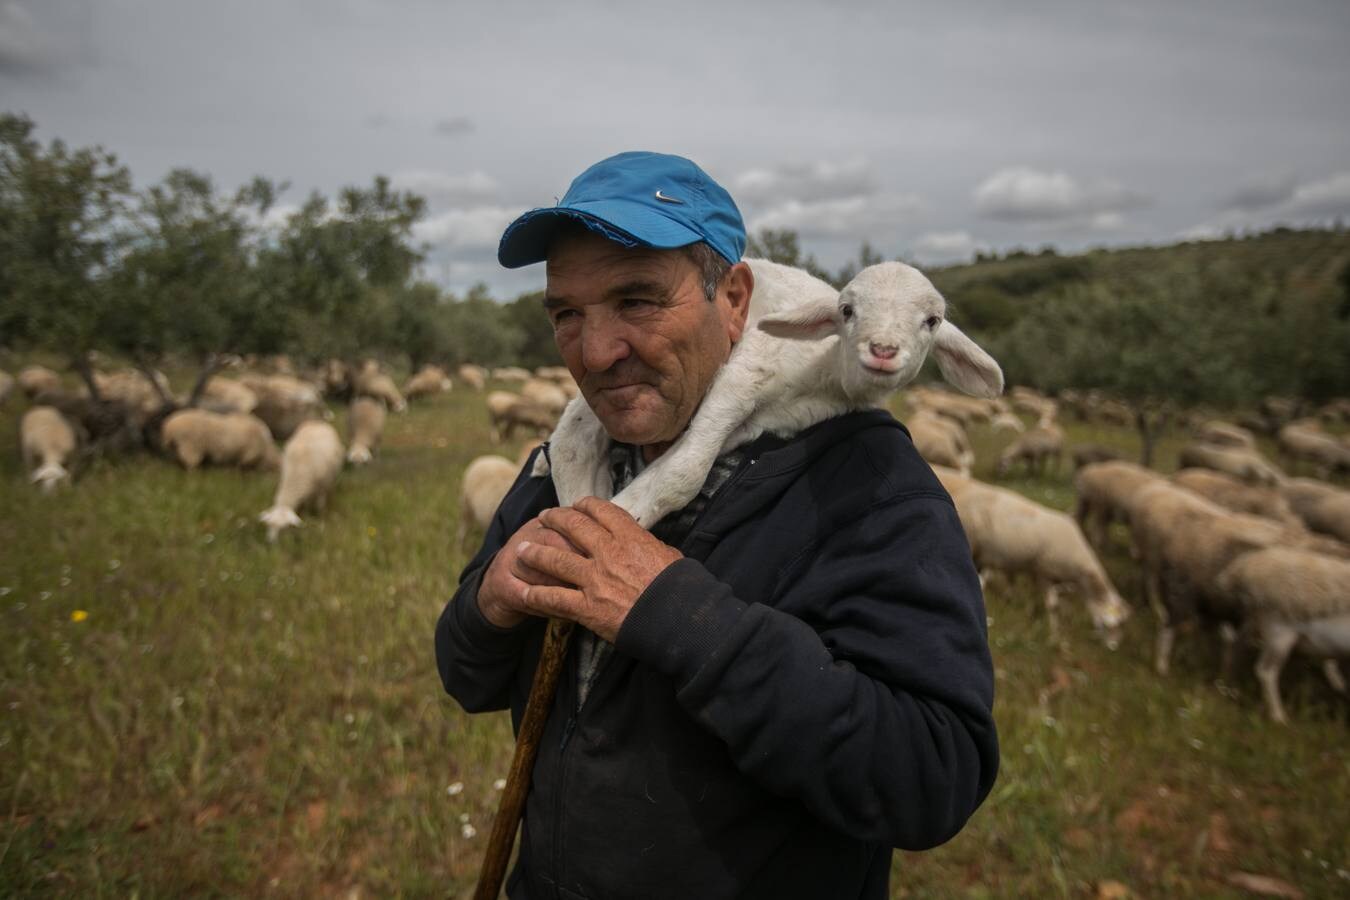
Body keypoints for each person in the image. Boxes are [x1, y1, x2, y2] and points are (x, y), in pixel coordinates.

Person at [435, 151, 998, 899]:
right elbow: (467, 677)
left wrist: (680, 616)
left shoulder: (869, 489)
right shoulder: (571, 461)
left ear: (735, 300)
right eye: (567, 314)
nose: (596, 353)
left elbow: (932, 774)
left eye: (637, 301)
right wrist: (488, 608)